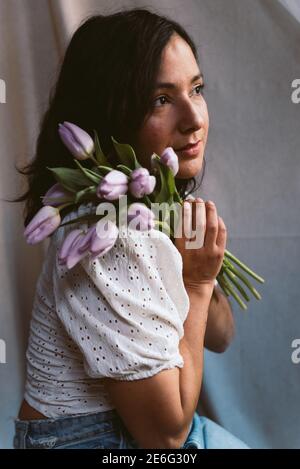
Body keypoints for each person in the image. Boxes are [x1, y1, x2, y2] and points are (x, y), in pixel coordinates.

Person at [12, 7, 249, 449]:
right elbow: (165, 438)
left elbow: (220, 335)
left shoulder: (152, 208)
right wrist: (196, 282)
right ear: (112, 113)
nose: (194, 118)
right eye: (160, 99)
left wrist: (199, 268)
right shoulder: (108, 238)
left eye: (196, 89)